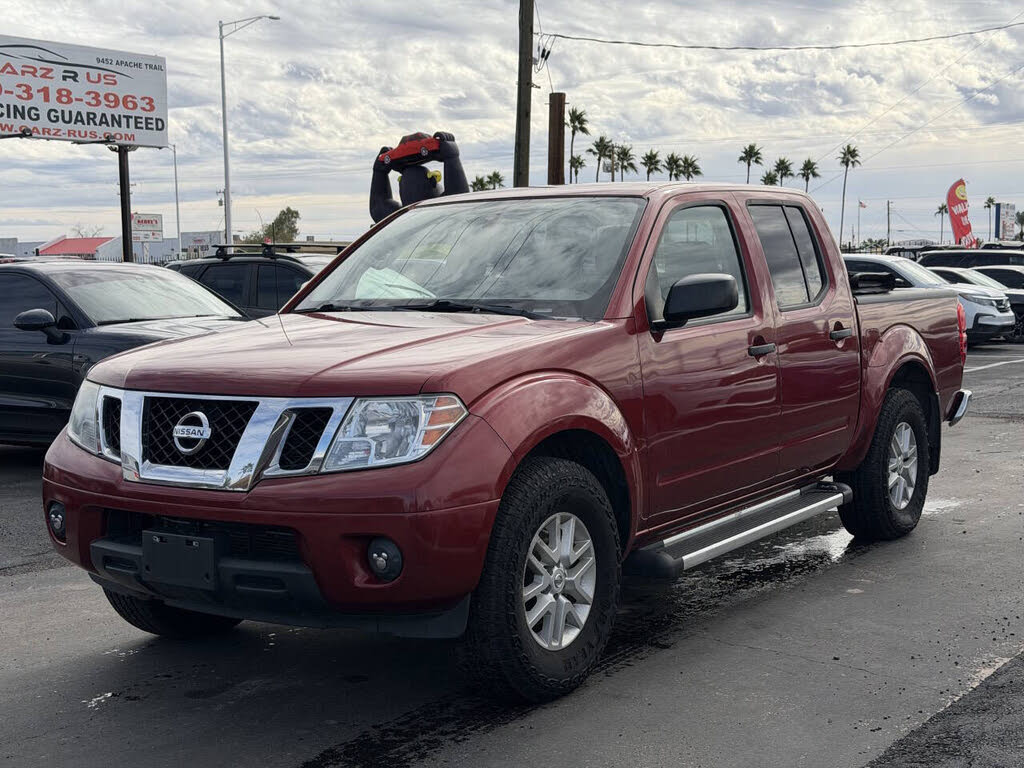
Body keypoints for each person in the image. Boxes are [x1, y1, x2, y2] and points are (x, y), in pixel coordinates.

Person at [369, 131, 470, 223]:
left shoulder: (399, 217)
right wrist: (452, 156)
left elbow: (378, 207)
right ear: (433, 181)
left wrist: (379, 173)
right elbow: (458, 195)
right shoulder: (443, 210)